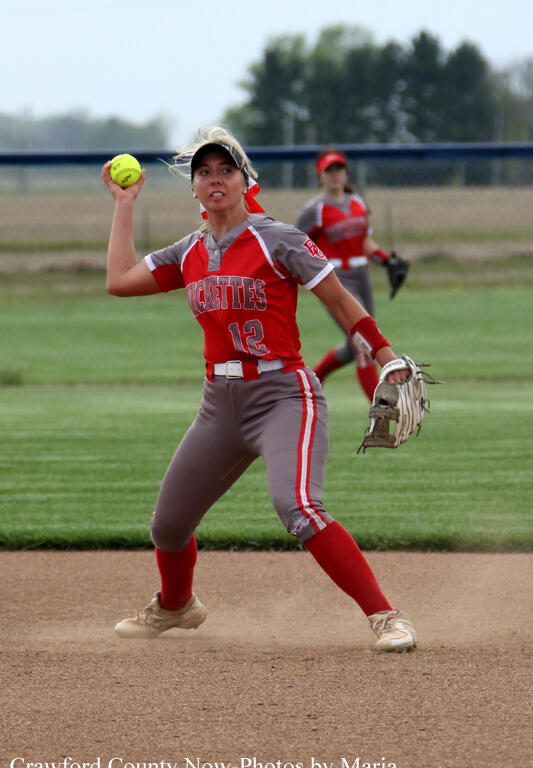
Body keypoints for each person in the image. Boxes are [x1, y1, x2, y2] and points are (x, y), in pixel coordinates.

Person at [101, 126, 416, 652]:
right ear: (195, 189)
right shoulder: (190, 251)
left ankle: (386, 616)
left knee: (298, 507)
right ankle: (177, 606)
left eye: (226, 169)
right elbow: (119, 278)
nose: (215, 178)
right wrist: (125, 203)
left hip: (283, 395)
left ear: (246, 181)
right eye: (204, 172)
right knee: (169, 525)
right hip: (218, 406)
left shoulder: (278, 238)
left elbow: (339, 300)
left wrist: (386, 357)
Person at [296, 148, 404, 401]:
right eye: (328, 170)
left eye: (339, 169)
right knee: (363, 343)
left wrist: (386, 261)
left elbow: (364, 241)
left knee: (356, 342)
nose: (335, 175)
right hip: (336, 280)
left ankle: (314, 380)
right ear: (320, 175)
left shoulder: (357, 203)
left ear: (346, 173)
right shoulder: (314, 209)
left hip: (361, 276)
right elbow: (295, 246)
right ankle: (381, 407)